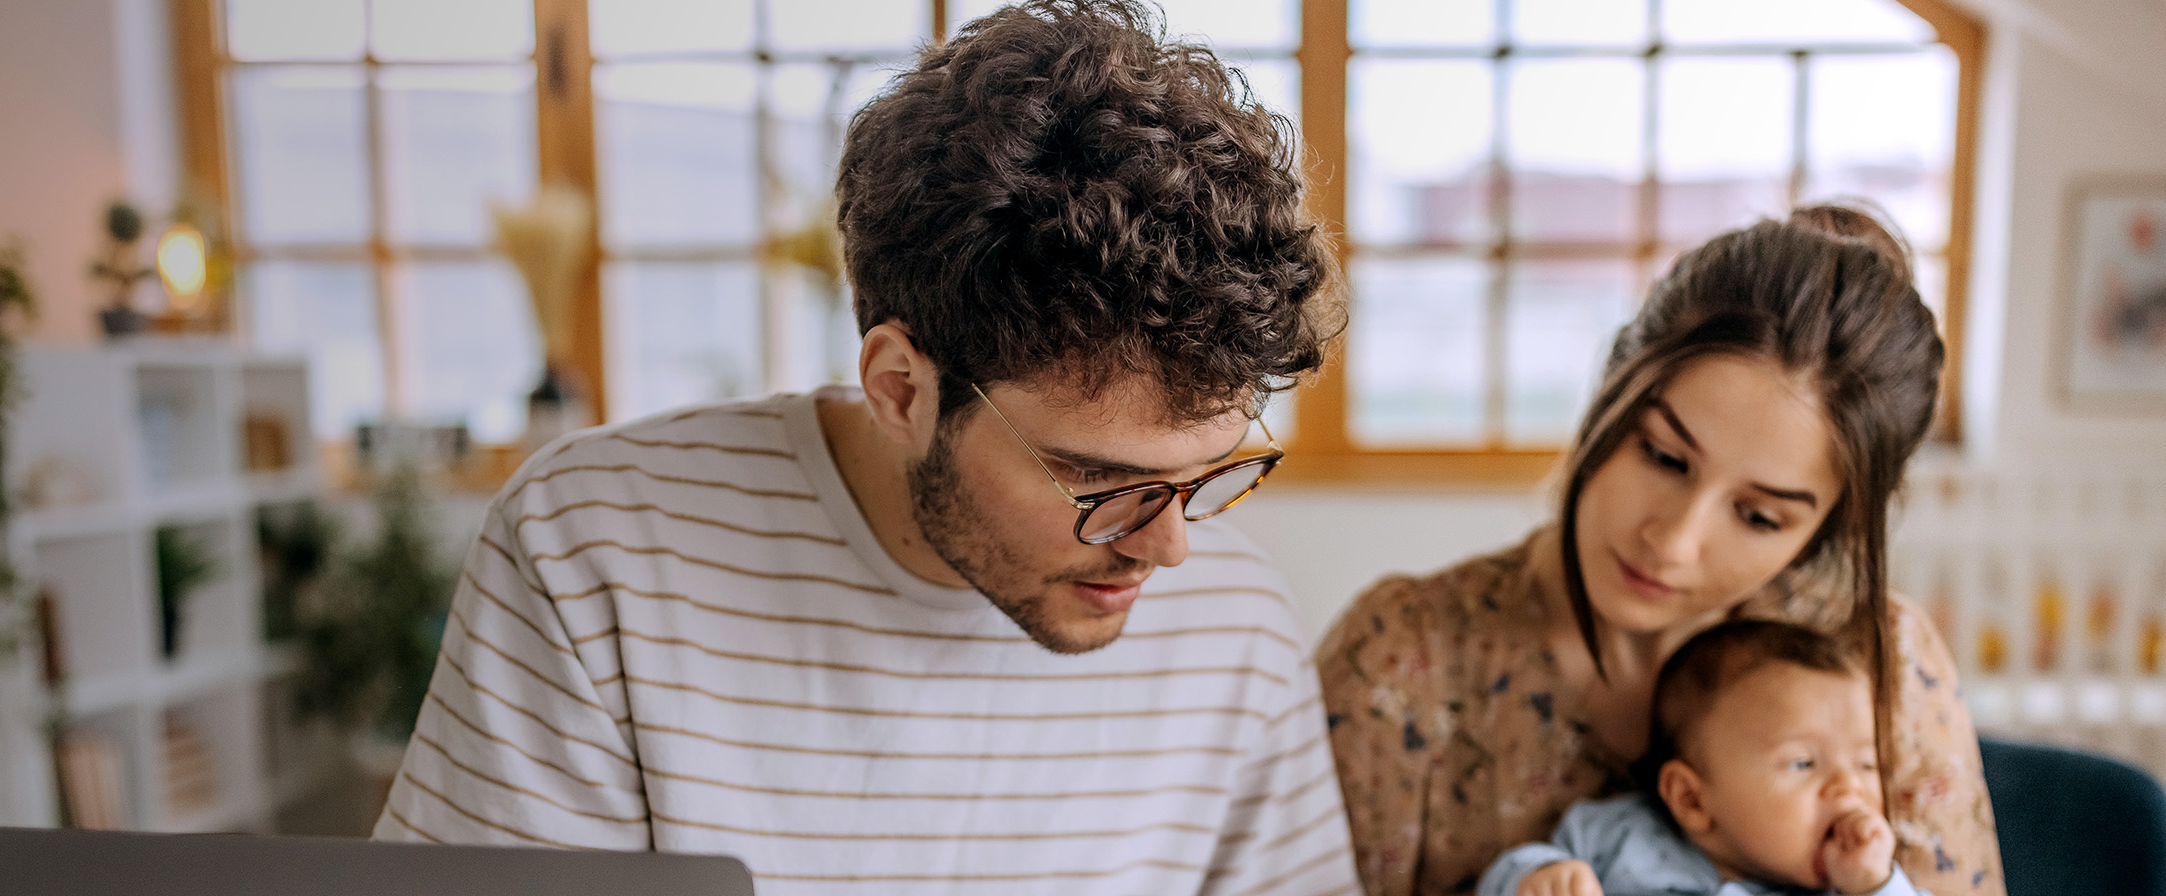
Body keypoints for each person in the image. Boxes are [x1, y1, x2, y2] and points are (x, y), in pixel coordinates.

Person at [375, 2, 1362, 893]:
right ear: (901, 388)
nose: (1170, 547)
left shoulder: (1234, 618)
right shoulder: (599, 548)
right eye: (1100, 478)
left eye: (1206, 474)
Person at [1315, 204, 2003, 896]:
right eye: (1664, 457)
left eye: (1759, 516)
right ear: (1611, 386)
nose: (1673, 542)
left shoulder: (1884, 667)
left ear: (1825, 530)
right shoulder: (1399, 661)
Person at [1482, 620, 1928, 896]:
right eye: (1803, 764)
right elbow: (1509, 878)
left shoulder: (1852, 885)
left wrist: (1875, 886)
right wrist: (1538, 876)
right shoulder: (1616, 836)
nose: (1849, 787)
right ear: (1691, 799)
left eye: (1867, 765)